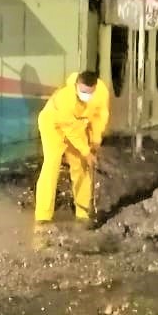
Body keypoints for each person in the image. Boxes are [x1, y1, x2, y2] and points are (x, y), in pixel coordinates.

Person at [34, 70, 111, 224]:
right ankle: (43, 215)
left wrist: (95, 140)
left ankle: (82, 212)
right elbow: (70, 129)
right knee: (52, 164)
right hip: (53, 126)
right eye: (82, 91)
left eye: (89, 92)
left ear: (95, 87)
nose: (85, 95)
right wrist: (86, 151)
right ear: (76, 85)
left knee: (81, 167)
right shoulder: (65, 97)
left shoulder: (102, 93)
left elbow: (100, 116)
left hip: (76, 125)